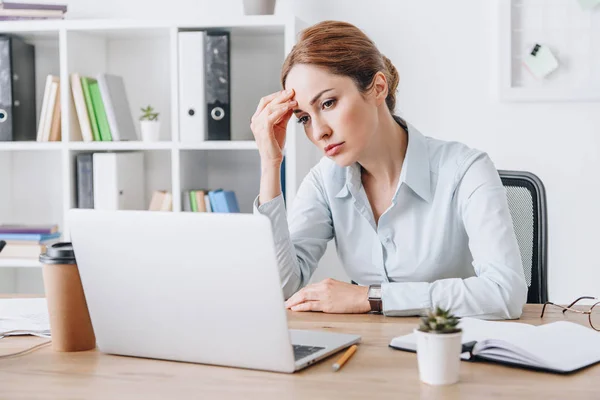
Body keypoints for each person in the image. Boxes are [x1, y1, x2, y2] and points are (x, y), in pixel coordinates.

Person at [250, 20, 527, 319]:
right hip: (369, 352)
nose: (318, 132)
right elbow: (282, 289)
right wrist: (270, 163)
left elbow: (505, 292)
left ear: (378, 88)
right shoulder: (324, 181)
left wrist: (372, 297)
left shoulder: (466, 170)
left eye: (328, 103)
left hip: (452, 351)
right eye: (303, 118)